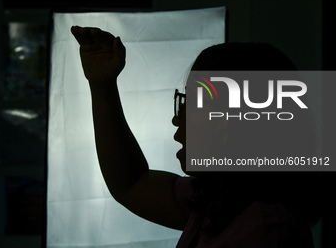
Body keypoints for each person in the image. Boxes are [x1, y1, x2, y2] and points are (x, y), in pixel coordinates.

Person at [71, 26, 323, 248]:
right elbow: (132, 183)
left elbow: (131, 185)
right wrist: (102, 84)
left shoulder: (263, 230)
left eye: (190, 104)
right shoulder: (225, 198)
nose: (176, 119)